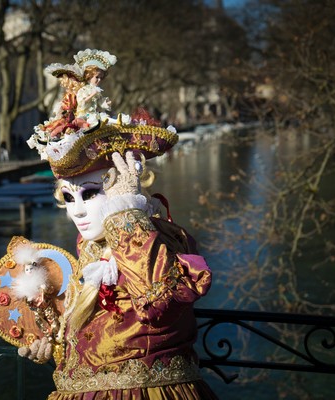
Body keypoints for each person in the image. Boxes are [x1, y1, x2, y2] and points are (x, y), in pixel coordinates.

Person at [17, 50, 218, 399]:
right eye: (68, 197)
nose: (77, 211)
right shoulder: (90, 249)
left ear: (123, 184)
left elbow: (157, 304)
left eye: (91, 193)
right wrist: (53, 340)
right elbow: (102, 337)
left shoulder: (162, 239)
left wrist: (127, 212)